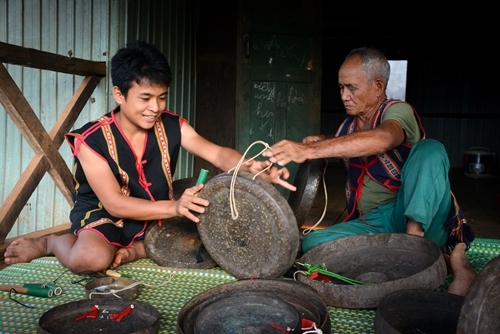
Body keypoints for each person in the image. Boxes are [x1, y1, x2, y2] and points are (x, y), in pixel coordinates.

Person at [4, 40, 296, 274]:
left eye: (162, 97)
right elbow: (115, 204)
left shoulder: (173, 125)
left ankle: (137, 250)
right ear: (119, 95)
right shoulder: (90, 140)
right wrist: (175, 208)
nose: (155, 107)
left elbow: (218, 153)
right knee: (89, 260)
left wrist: (253, 168)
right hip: (106, 215)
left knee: (217, 240)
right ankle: (51, 243)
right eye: (145, 98)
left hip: (159, 211)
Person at [262, 47, 477, 296]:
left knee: (430, 150)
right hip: (374, 223)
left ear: (377, 85)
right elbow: (352, 141)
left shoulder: (397, 111)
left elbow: (385, 137)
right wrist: (321, 140)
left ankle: (432, 250)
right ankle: (421, 258)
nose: (344, 95)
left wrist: (309, 149)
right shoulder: (349, 126)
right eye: (341, 88)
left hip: (417, 216)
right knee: (313, 244)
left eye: (352, 87)